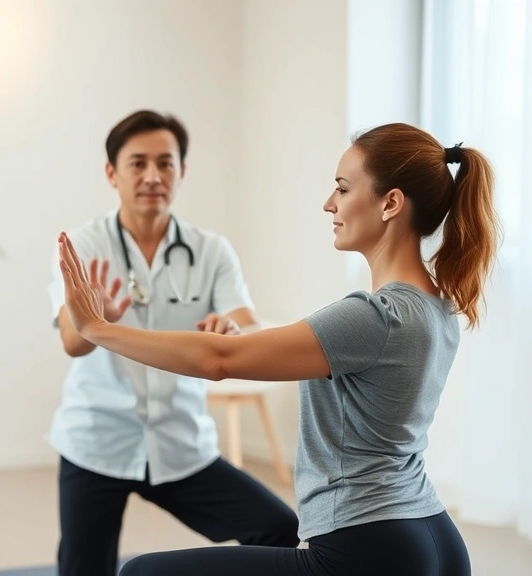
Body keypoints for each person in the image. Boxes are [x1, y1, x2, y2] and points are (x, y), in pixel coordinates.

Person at [56, 121, 501, 576]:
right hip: (434, 535)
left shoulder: (371, 316)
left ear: (390, 203)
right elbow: (272, 342)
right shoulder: (438, 306)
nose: (330, 203)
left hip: (367, 543)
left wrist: (98, 327)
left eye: (343, 189)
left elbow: (218, 360)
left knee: (140, 573)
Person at [46, 109, 300, 576]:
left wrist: (234, 333)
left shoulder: (210, 250)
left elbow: (247, 323)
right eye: (137, 163)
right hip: (97, 440)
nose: (152, 176)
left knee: (279, 528)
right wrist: (94, 319)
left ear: (182, 172)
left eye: (165, 163)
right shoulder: (83, 245)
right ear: (112, 173)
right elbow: (70, 341)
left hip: (180, 441)